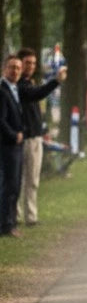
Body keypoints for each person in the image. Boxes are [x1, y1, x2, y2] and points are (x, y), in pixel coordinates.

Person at [17, 47, 68, 226]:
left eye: (33, 63)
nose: (30, 66)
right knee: (27, 179)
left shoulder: (28, 82)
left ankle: (25, 216)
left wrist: (43, 129)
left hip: (35, 135)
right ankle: (26, 217)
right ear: (19, 64)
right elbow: (36, 94)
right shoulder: (20, 85)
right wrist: (56, 81)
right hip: (28, 138)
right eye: (27, 63)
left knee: (30, 179)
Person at [0, 54, 25, 237]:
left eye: (18, 67)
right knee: (9, 186)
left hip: (16, 145)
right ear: (4, 69)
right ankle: (6, 225)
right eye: (11, 67)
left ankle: (11, 222)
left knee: (15, 186)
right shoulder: (2, 91)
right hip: (8, 146)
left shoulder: (14, 89)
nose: (15, 71)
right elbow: (1, 120)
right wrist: (13, 135)